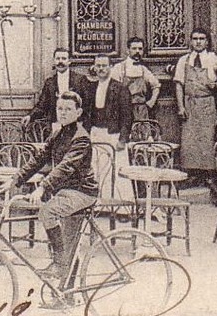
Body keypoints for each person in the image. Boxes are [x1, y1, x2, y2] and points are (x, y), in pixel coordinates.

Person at [12, 92, 97, 289]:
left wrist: (42, 187)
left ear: (79, 112)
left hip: (82, 192)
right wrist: (14, 180)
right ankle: (64, 292)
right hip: (65, 191)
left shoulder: (81, 138)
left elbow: (65, 167)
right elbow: (39, 158)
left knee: (47, 212)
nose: (63, 112)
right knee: (68, 245)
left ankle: (59, 265)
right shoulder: (59, 132)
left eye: (68, 109)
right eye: (60, 108)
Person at [174, 30, 217, 188]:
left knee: (207, 139)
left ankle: (209, 176)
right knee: (189, 141)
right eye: (195, 39)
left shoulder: (213, 59)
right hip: (190, 104)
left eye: (202, 39)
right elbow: (179, 84)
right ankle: (192, 175)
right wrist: (181, 107)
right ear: (190, 41)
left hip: (207, 104)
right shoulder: (184, 60)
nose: (198, 42)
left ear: (207, 42)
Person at [32, 47, 92, 130]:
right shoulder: (50, 83)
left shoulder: (80, 80)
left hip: (77, 124)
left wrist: (82, 122)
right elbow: (42, 105)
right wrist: (30, 116)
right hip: (56, 124)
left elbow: (87, 104)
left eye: (64, 58)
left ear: (69, 61)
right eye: (58, 59)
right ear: (54, 61)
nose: (60, 62)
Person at [113, 37, 164, 130]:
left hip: (141, 111)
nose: (137, 51)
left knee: (143, 138)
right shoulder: (119, 68)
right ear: (128, 50)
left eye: (140, 49)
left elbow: (156, 86)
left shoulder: (143, 69)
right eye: (134, 48)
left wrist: (152, 101)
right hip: (124, 110)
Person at [87, 53, 131, 151]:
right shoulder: (91, 88)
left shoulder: (120, 88)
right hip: (95, 133)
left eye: (104, 65)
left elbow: (127, 117)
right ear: (94, 68)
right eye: (98, 66)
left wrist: (122, 140)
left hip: (113, 135)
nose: (101, 69)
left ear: (110, 67)